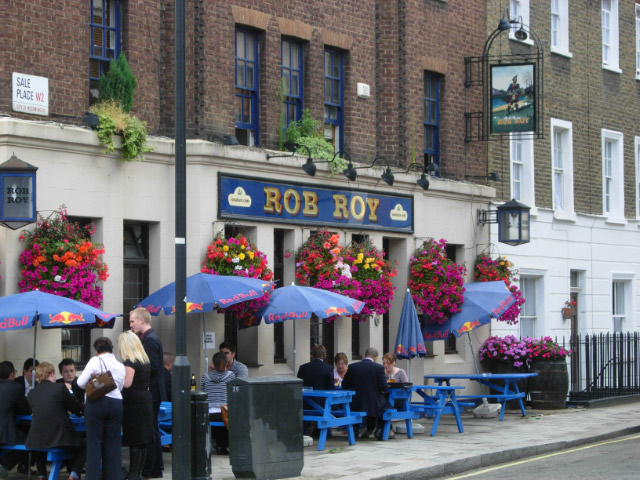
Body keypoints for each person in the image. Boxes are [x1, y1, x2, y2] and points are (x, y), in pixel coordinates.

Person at [26, 362, 85, 480]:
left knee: (41, 443)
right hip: (59, 437)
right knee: (86, 445)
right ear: (52, 373)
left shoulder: (31, 393)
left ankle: (42, 474)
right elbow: (77, 408)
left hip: (35, 438)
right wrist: (70, 391)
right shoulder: (60, 388)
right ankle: (74, 474)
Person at [77, 337, 125, 480]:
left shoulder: (95, 361)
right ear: (111, 349)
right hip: (116, 403)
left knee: (94, 444)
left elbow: (80, 383)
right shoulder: (120, 365)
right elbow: (120, 387)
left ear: (96, 350)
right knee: (113, 445)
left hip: (97, 403)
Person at [129, 307, 166, 479]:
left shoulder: (149, 339)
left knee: (149, 430)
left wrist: (134, 372)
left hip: (151, 390)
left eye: (132, 321)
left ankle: (151, 469)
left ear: (141, 320)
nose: (131, 325)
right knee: (152, 430)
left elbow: (152, 366)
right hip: (153, 390)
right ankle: (155, 467)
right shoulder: (148, 338)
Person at [118, 331, 154, 480]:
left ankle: (133, 473)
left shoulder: (129, 363)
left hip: (133, 403)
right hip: (145, 400)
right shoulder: (144, 361)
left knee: (134, 440)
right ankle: (137, 472)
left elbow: (127, 383)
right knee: (142, 440)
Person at [341, 347, 388, 440]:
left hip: (356, 402)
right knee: (386, 404)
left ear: (365, 355)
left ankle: (355, 430)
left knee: (369, 403)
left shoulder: (352, 367)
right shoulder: (379, 368)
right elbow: (384, 388)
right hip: (374, 404)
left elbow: (344, 385)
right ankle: (379, 429)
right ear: (375, 357)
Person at [0, 361, 31, 479]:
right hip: (4, 432)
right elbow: (26, 410)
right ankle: (4, 465)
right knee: (29, 440)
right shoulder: (16, 387)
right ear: (12, 374)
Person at [202, 352, 235, 455]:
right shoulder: (231, 376)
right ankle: (224, 446)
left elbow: (203, 393)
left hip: (209, 413)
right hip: (224, 412)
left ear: (213, 364)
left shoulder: (206, 376)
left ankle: (217, 444)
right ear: (226, 363)